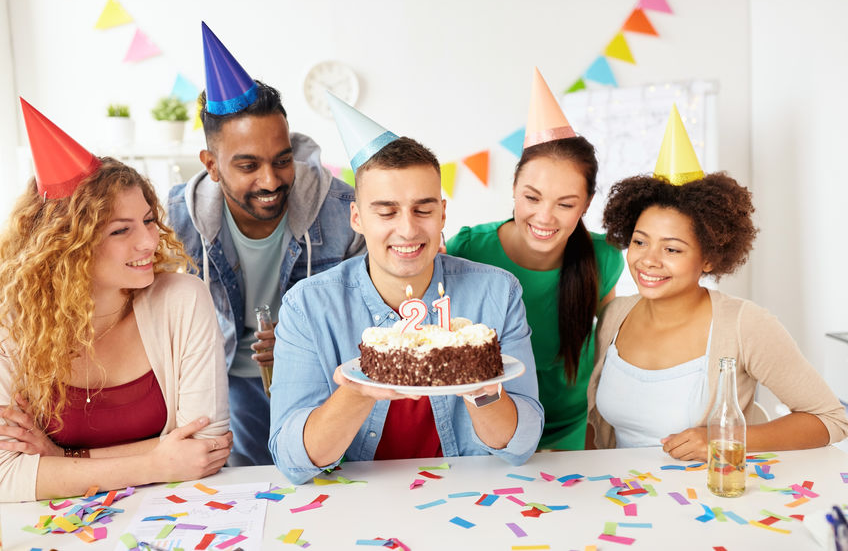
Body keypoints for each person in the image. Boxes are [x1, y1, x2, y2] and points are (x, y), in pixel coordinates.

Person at [269, 95, 543, 484]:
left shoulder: (497, 293)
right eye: (386, 211)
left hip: (468, 496)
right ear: (357, 217)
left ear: (443, 213)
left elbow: (521, 445)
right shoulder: (308, 306)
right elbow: (293, 461)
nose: (408, 229)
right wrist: (359, 391)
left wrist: (480, 386)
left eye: (423, 210)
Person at [0, 99, 230, 502]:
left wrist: (62, 459)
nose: (149, 241)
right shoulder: (13, 324)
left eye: (148, 220)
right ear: (67, 246)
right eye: (121, 231)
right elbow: (5, 475)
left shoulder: (182, 300)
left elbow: (204, 449)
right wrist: (155, 463)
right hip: (57, 527)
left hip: (176, 515)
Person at [586, 106, 848, 459]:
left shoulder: (744, 325)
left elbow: (831, 419)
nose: (648, 259)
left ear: (709, 257)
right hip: (624, 492)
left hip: (712, 492)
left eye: (672, 249)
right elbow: (598, 429)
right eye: (639, 241)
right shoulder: (615, 316)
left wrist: (724, 438)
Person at [168, 24, 364, 466]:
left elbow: (375, 311)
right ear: (211, 165)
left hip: (326, 383)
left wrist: (305, 341)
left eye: (282, 160)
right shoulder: (176, 221)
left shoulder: (344, 211)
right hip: (226, 390)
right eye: (248, 166)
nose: (271, 181)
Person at [447, 69, 623, 450]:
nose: (544, 217)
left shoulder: (603, 258)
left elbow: (615, 351)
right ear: (513, 189)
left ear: (586, 204)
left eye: (566, 204)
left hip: (573, 427)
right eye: (532, 197)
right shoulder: (468, 249)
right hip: (491, 425)